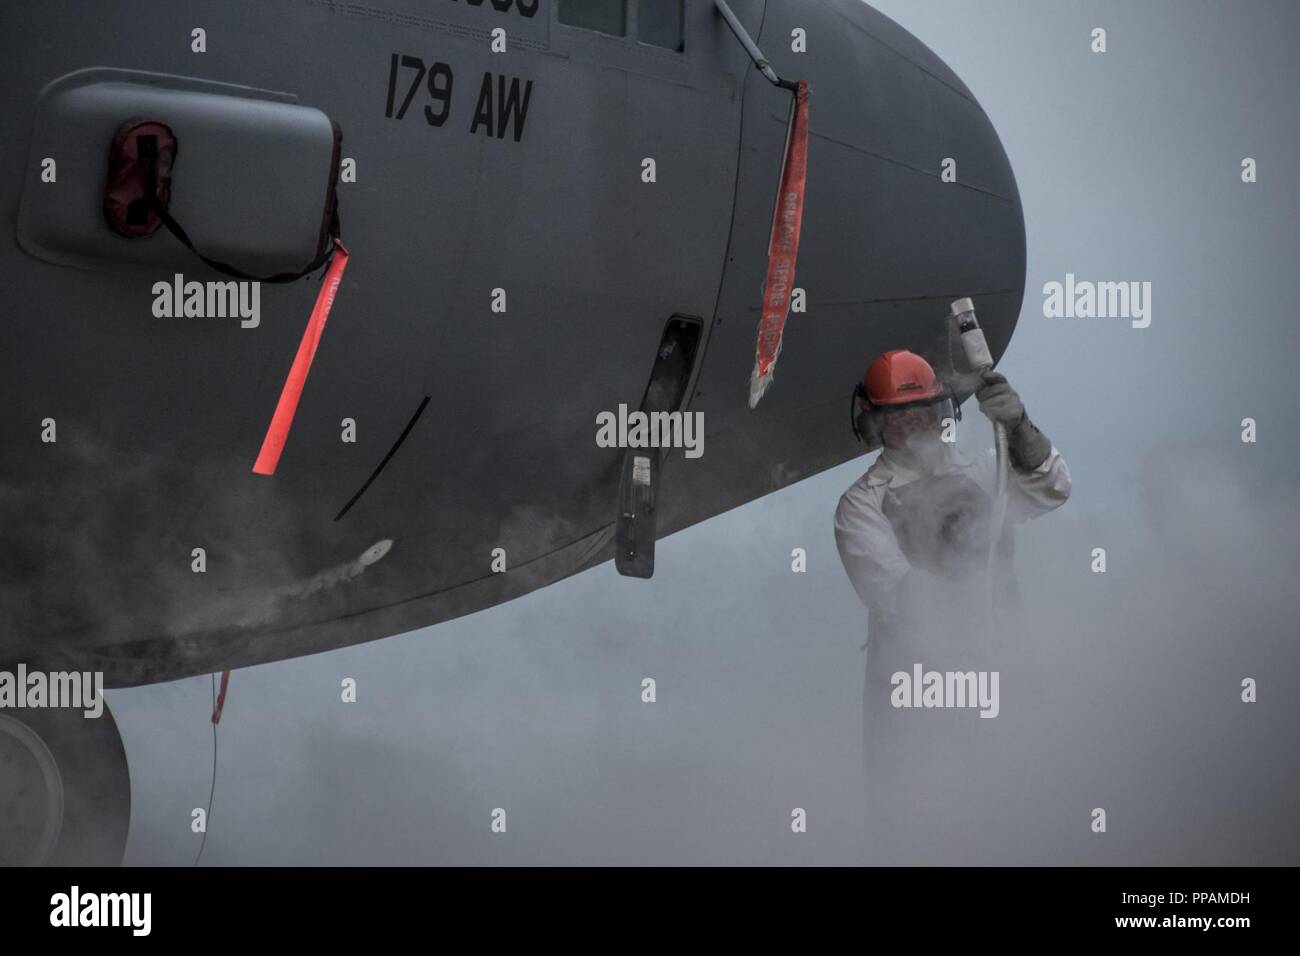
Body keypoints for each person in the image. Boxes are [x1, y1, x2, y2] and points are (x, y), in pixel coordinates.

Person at [833, 348, 1071, 862]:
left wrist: (1019, 423)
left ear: (945, 413)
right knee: (919, 828)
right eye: (899, 416)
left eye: (925, 412)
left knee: (1016, 820)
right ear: (874, 424)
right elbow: (900, 599)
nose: (915, 425)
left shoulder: (985, 472)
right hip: (915, 699)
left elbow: (1052, 488)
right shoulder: (862, 505)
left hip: (1004, 675)